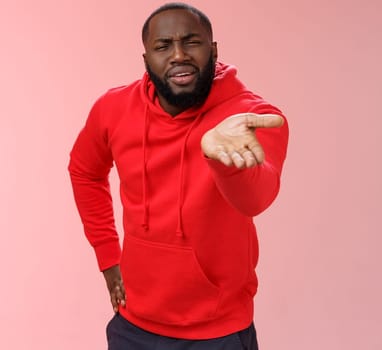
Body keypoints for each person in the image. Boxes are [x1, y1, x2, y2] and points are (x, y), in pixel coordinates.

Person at [68, 2, 289, 349]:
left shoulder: (251, 117)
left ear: (213, 50)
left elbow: (256, 198)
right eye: (163, 46)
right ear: (146, 59)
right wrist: (108, 255)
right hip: (132, 325)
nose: (178, 55)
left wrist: (222, 160)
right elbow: (83, 170)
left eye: (192, 42)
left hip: (218, 334)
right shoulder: (113, 109)